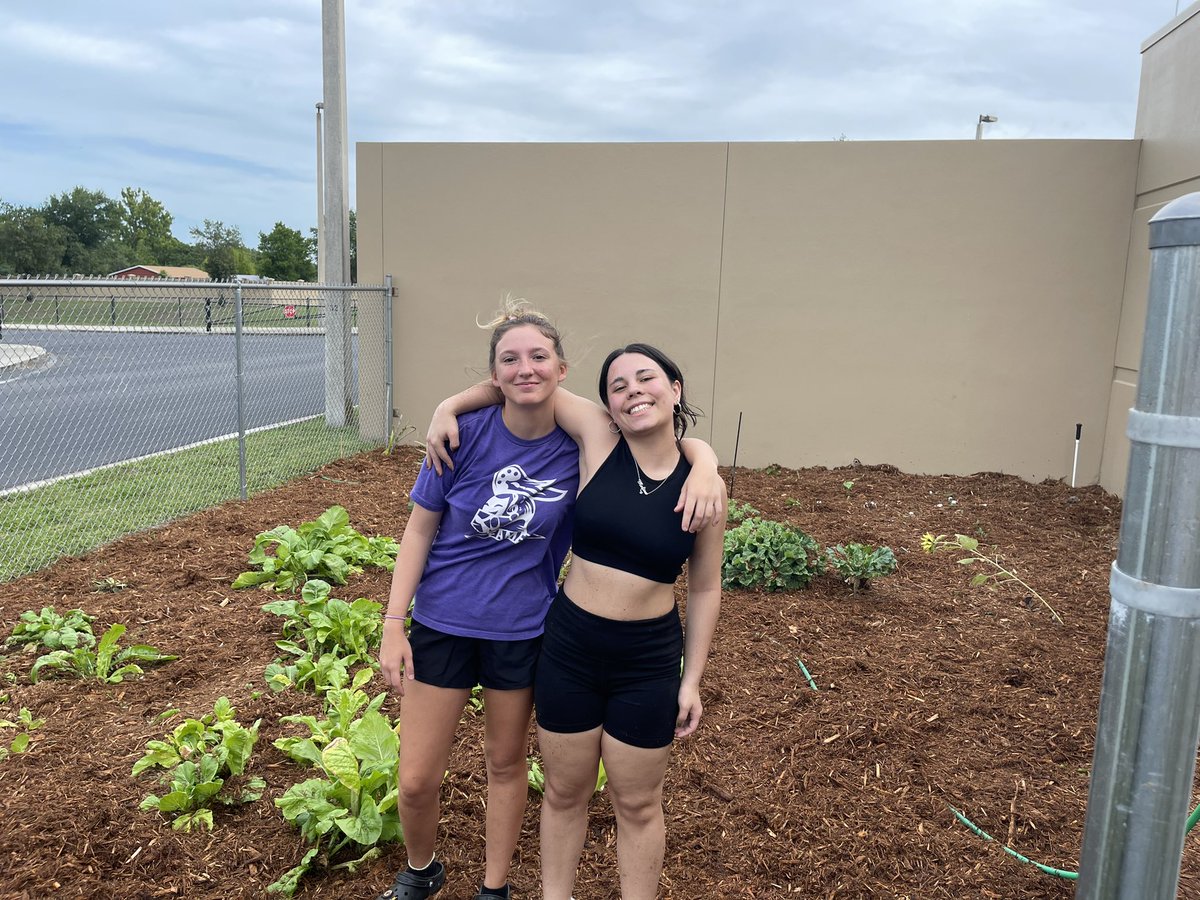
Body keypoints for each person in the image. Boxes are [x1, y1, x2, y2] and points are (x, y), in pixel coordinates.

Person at [377, 303, 723, 900]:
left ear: (675, 388)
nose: (633, 392)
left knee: (611, 794)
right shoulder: (574, 439)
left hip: (597, 645)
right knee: (527, 790)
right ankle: (441, 873)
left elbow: (705, 585)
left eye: (646, 379)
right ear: (606, 403)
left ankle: (507, 889)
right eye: (618, 386)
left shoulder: (669, 476)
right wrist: (447, 405)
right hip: (537, 638)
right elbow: (520, 385)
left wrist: (706, 460)